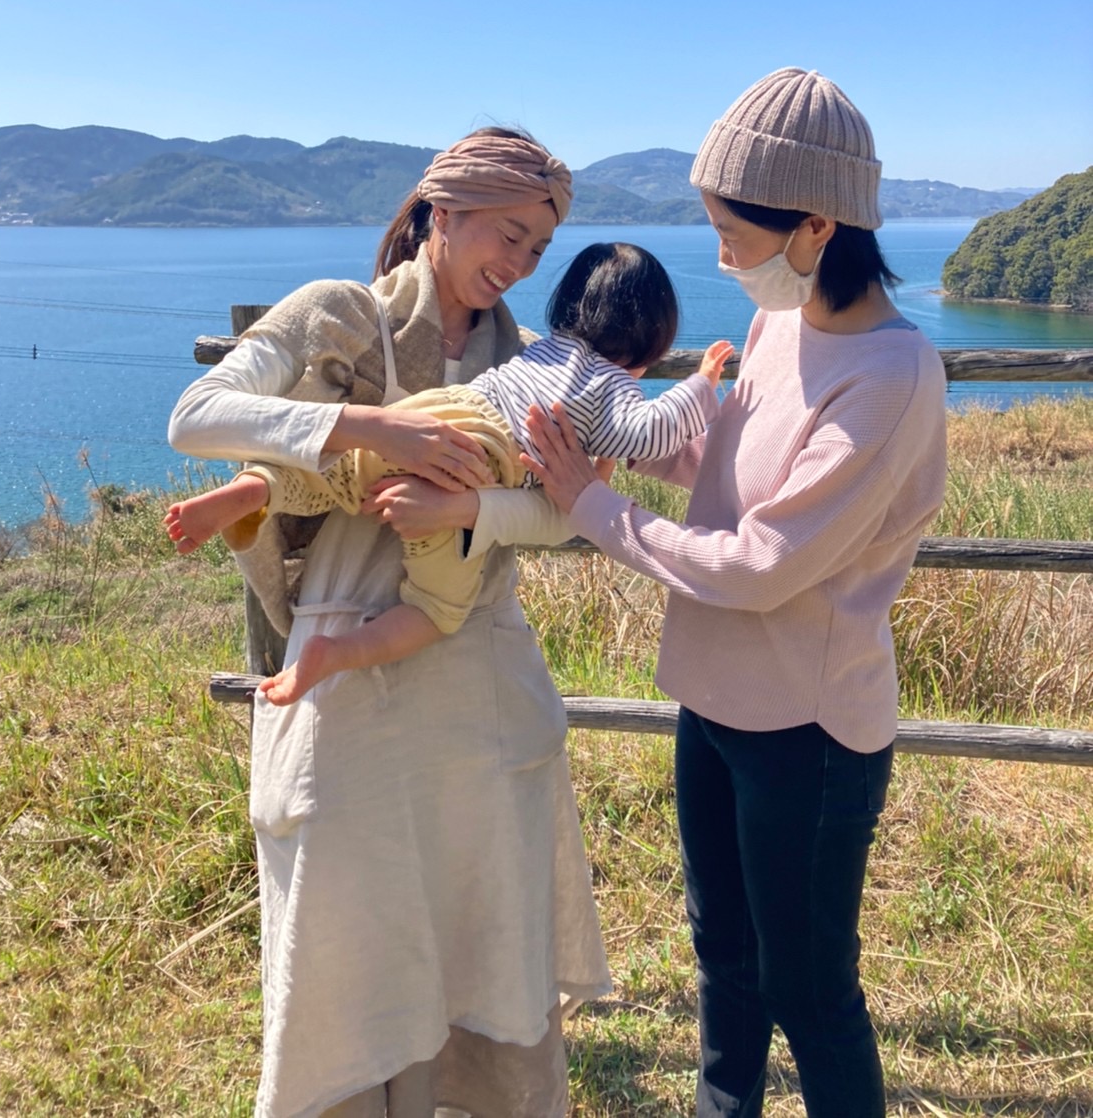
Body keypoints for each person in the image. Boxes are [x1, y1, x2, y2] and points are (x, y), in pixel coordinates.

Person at [520, 69, 948, 1118]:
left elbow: (763, 563)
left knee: (809, 988)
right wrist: (608, 437)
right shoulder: (778, 325)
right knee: (724, 954)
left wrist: (592, 507)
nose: (721, 257)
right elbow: (720, 466)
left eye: (730, 234)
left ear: (816, 226)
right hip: (714, 700)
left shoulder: (892, 377)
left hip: (807, 727)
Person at [167, 127, 612, 1118]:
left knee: (478, 938)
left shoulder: (528, 364)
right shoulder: (340, 313)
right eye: (507, 234)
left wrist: (471, 506)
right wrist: (370, 427)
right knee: (348, 943)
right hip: (346, 689)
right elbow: (196, 413)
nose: (519, 263)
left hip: (478, 678)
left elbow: (565, 511)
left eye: (538, 248)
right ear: (440, 210)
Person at [165, 241, 732, 707]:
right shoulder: (611, 388)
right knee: (436, 610)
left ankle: (256, 486)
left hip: (428, 416)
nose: (520, 257)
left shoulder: (543, 351)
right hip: (472, 462)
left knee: (332, 475)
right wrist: (702, 384)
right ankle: (334, 653)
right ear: (652, 338)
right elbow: (649, 433)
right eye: (511, 236)